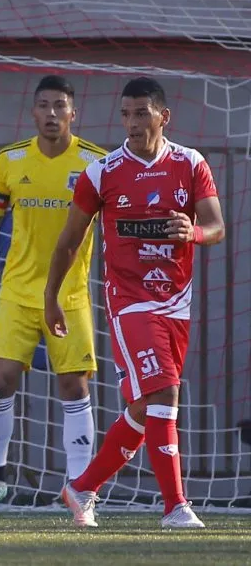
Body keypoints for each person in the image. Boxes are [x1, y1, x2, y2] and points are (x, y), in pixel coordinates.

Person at [47, 77, 225, 529]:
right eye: (126, 114)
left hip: (176, 302)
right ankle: (175, 507)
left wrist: (195, 234)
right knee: (165, 391)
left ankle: (82, 487)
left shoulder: (191, 163)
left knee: (148, 409)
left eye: (141, 113)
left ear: (163, 116)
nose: (131, 123)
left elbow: (216, 225)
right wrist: (51, 297)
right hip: (129, 302)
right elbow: (69, 241)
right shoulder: (102, 172)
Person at [0, 76, 107, 512]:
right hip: (19, 294)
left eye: (59, 106)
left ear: (72, 114)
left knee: (73, 386)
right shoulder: (9, 161)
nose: (51, 114)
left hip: (70, 297)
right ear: (33, 113)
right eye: (43, 105)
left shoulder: (96, 163)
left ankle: (82, 489)